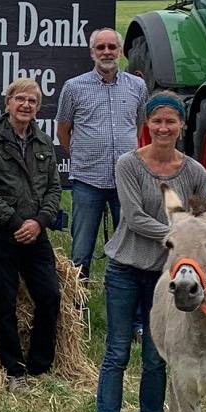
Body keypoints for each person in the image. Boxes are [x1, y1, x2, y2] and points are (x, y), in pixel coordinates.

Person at [94, 91, 206, 412]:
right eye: (157, 121)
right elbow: (133, 218)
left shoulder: (194, 171)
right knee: (117, 352)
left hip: (168, 279)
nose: (163, 128)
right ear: (147, 125)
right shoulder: (128, 165)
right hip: (126, 269)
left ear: (181, 125)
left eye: (170, 121)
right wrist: (183, 234)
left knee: (157, 354)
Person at [0, 78, 62, 392]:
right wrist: (15, 223)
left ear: (38, 108)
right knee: (4, 301)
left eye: (32, 101)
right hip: (0, 234)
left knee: (50, 296)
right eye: (20, 99)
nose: (25, 106)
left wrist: (39, 221)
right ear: (7, 103)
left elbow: (54, 188)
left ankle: (40, 365)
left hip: (36, 233)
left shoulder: (43, 141)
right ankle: (14, 370)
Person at [55, 27, 147, 283]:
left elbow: (138, 126)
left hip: (126, 182)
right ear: (92, 52)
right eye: (101, 47)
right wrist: (81, 156)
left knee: (130, 247)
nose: (106, 52)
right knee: (81, 250)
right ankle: (77, 311)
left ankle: (130, 309)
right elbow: (63, 129)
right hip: (87, 181)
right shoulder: (74, 87)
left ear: (120, 52)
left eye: (112, 47)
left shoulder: (137, 86)